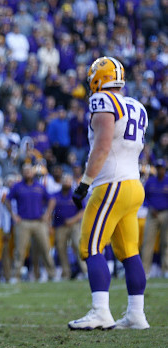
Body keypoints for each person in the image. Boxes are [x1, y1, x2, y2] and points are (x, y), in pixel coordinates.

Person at [69, 56, 150, 330]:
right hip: (133, 184)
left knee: (90, 246)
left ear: (97, 78)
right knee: (129, 252)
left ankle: (100, 311)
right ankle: (136, 314)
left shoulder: (103, 100)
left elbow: (102, 146)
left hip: (111, 184)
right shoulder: (137, 105)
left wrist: (83, 183)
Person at [5, 163, 56, 283]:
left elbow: (52, 200)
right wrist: (13, 215)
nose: (27, 172)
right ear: (22, 173)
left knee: (46, 249)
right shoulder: (17, 186)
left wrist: (47, 214)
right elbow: (7, 200)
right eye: (25, 170)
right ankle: (16, 275)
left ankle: (52, 274)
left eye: (29, 170)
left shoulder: (39, 186)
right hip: (23, 223)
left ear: (33, 173)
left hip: (39, 222)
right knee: (20, 251)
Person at [52, 174, 86, 280]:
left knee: (78, 245)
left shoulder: (75, 194)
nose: (66, 182)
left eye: (68, 180)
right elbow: (51, 209)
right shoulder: (56, 195)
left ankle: (85, 271)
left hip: (74, 225)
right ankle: (66, 273)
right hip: (60, 226)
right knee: (61, 249)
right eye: (64, 180)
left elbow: (82, 211)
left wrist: (73, 220)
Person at [140, 159, 168, 278]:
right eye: (158, 168)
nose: (160, 170)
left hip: (166, 213)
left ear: (164, 169)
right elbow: (144, 197)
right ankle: (145, 270)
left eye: (161, 168)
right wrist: (150, 207)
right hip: (152, 213)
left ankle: (165, 269)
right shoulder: (150, 182)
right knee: (147, 242)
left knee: (166, 242)